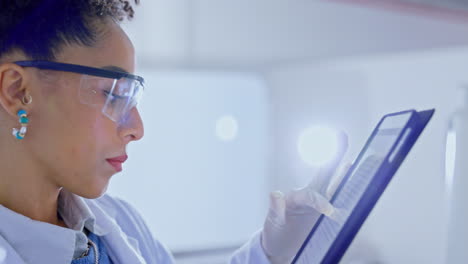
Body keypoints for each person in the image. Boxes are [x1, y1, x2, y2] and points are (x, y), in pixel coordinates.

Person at [0, 1, 346, 263]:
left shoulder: (117, 222)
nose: (137, 128)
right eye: (113, 94)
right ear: (17, 91)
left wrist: (271, 252)